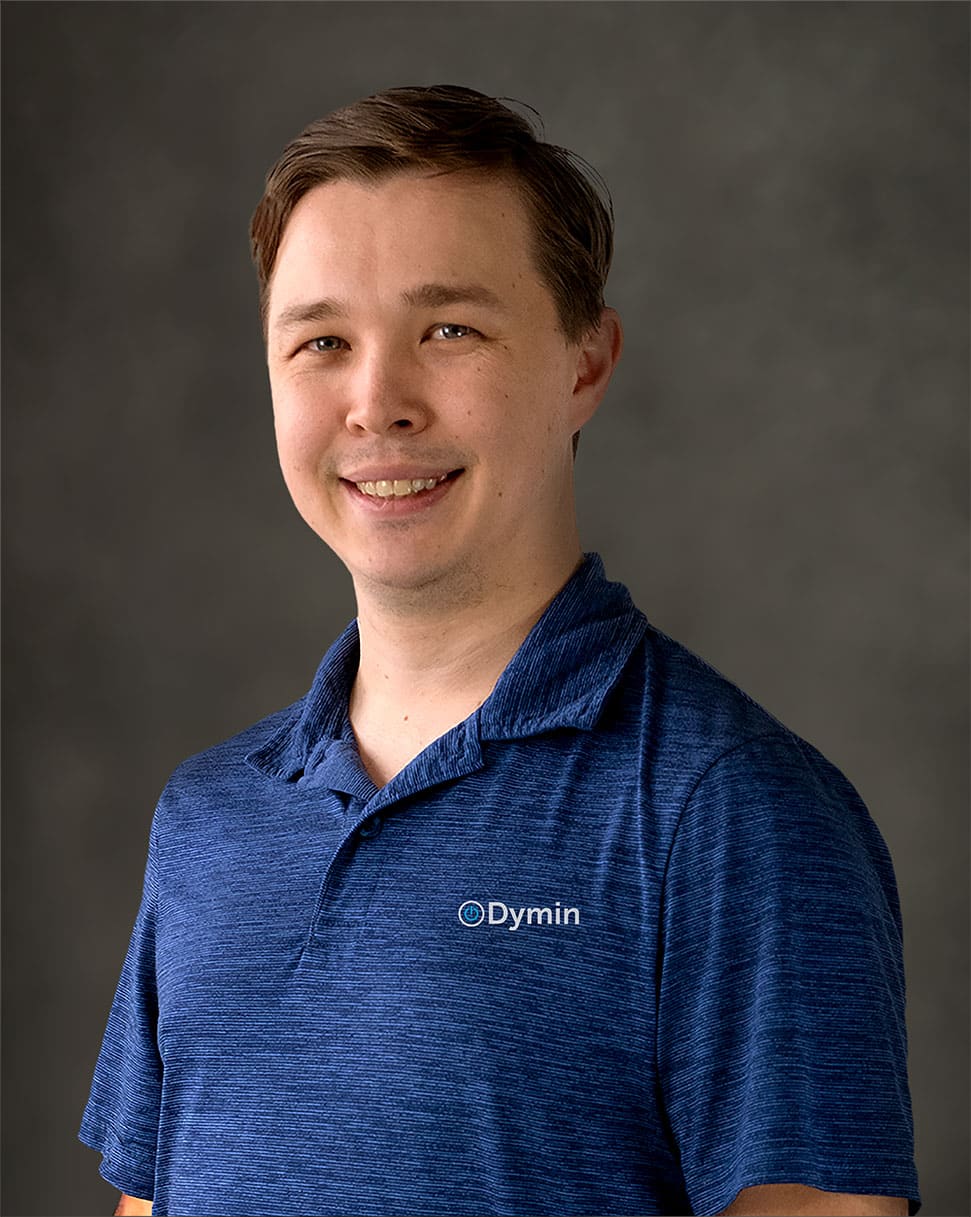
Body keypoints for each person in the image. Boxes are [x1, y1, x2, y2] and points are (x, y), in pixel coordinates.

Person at [79, 85, 920, 1217]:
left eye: (449, 331)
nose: (377, 403)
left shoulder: (730, 812)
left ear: (583, 365)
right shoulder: (207, 818)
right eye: (321, 340)